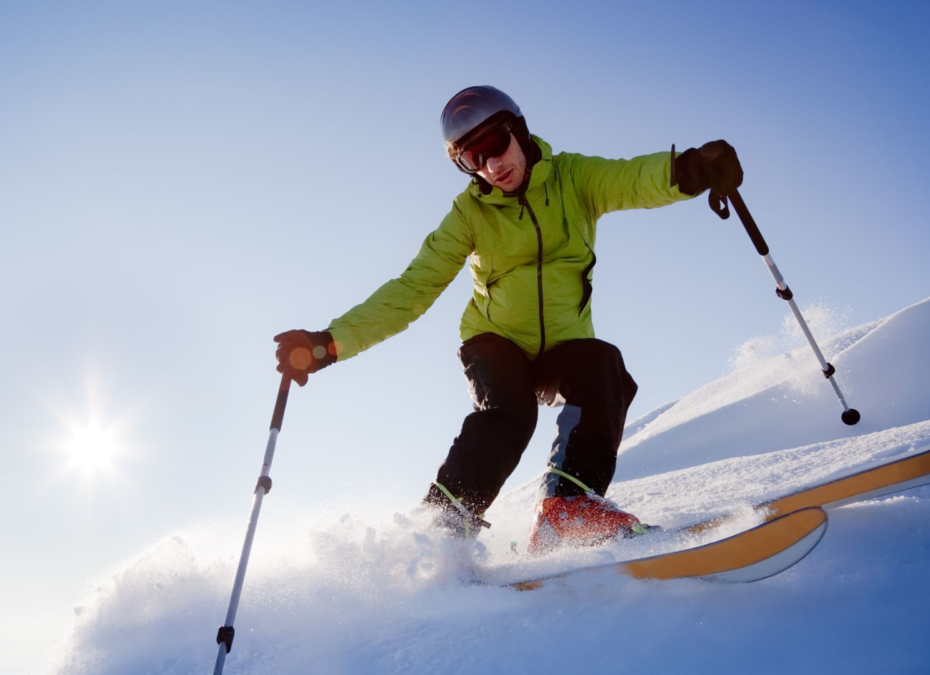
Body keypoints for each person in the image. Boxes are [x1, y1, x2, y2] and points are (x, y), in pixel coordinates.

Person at [274, 85, 743, 553]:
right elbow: (412, 289)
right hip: (495, 341)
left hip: (563, 344)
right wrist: (331, 343)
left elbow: (631, 179)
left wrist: (688, 170)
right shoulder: (469, 214)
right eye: (472, 160)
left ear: (518, 130)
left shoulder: (573, 179)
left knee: (605, 367)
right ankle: (441, 529)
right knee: (509, 414)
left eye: (495, 146)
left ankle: (569, 510)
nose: (491, 167)